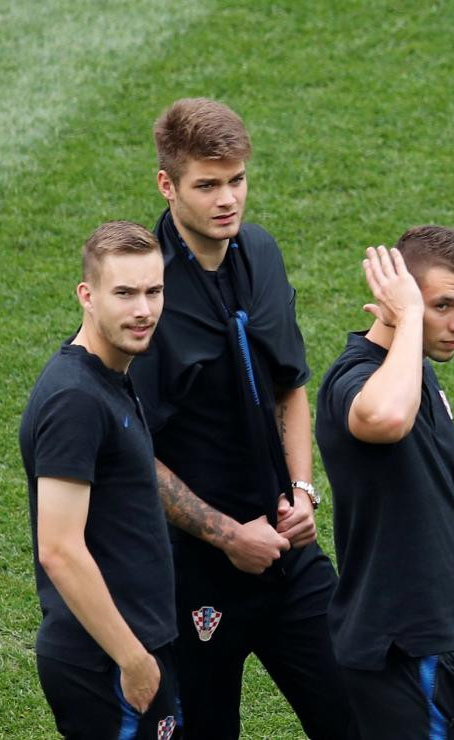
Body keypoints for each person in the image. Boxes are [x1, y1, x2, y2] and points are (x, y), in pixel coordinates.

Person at [128, 98, 348, 738]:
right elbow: (130, 448)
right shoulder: (142, 295)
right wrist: (227, 535)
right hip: (192, 574)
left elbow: (291, 387)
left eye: (237, 180)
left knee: (358, 714)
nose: (228, 199)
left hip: (291, 556)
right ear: (167, 185)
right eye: (208, 185)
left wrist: (304, 491)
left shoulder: (261, 252)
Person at [316, 226, 454, 739]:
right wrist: (410, 317)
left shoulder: (415, 370)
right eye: (442, 306)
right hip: (402, 646)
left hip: (430, 640)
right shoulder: (353, 378)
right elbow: (387, 418)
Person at [20, 221, 181, 738]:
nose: (143, 310)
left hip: (130, 648)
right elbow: (59, 550)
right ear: (87, 296)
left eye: (154, 291)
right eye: (125, 293)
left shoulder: (110, 374)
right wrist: (133, 661)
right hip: (105, 661)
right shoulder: (76, 401)